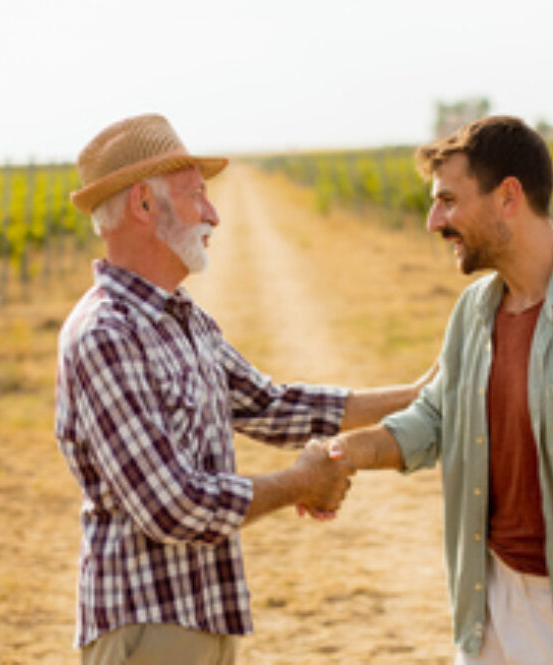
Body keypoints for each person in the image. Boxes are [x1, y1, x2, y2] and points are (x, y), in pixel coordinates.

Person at [312, 116, 553, 665]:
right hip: (488, 608)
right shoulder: (474, 312)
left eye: (448, 201)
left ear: (507, 198)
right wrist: (345, 454)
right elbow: (435, 418)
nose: (434, 221)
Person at [54, 113, 431, 665]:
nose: (214, 214)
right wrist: (301, 482)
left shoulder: (184, 319)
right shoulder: (106, 335)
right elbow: (171, 505)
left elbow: (273, 405)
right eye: (197, 195)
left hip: (198, 617)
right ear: (143, 205)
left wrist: (420, 393)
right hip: (149, 627)